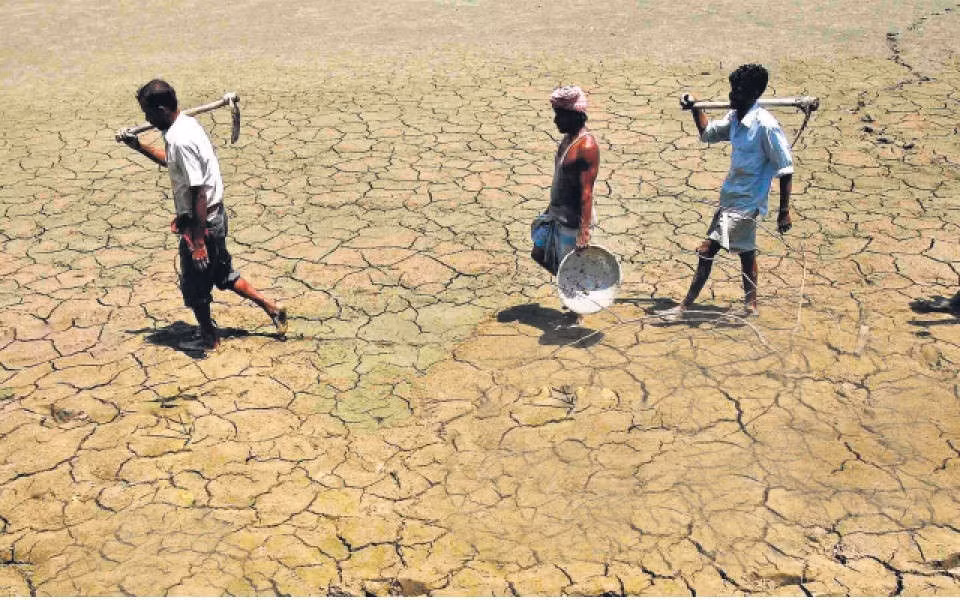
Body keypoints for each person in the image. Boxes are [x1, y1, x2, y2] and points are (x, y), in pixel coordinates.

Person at [120, 79, 287, 351]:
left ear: (161, 109)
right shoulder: (185, 124)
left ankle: (209, 338)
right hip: (215, 216)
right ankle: (272, 308)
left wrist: (197, 242)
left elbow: (198, 191)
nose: (146, 118)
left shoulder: (180, 138)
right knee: (223, 275)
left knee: (194, 286)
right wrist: (138, 146)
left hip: (203, 222)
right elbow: (172, 163)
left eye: (147, 112)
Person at [658, 64, 794, 321]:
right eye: (732, 89)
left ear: (754, 93)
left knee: (707, 250)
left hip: (747, 202)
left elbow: (786, 168)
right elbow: (708, 134)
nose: (732, 95)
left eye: (739, 91)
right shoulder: (734, 118)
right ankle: (751, 305)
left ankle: (685, 307)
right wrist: (695, 108)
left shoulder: (765, 125)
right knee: (746, 252)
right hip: (730, 197)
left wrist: (784, 212)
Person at [530, 85, 600, 276]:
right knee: (539, 253)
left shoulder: (586, 147)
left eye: (559, 115)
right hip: (556, 214)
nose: (555, 120)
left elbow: (586, 192)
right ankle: (573, 286)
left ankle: (579, 292)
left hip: (572, 222)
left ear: (573, 115)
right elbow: (561, 180)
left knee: (570, 271)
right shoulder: (568, 139)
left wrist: (584, 231)